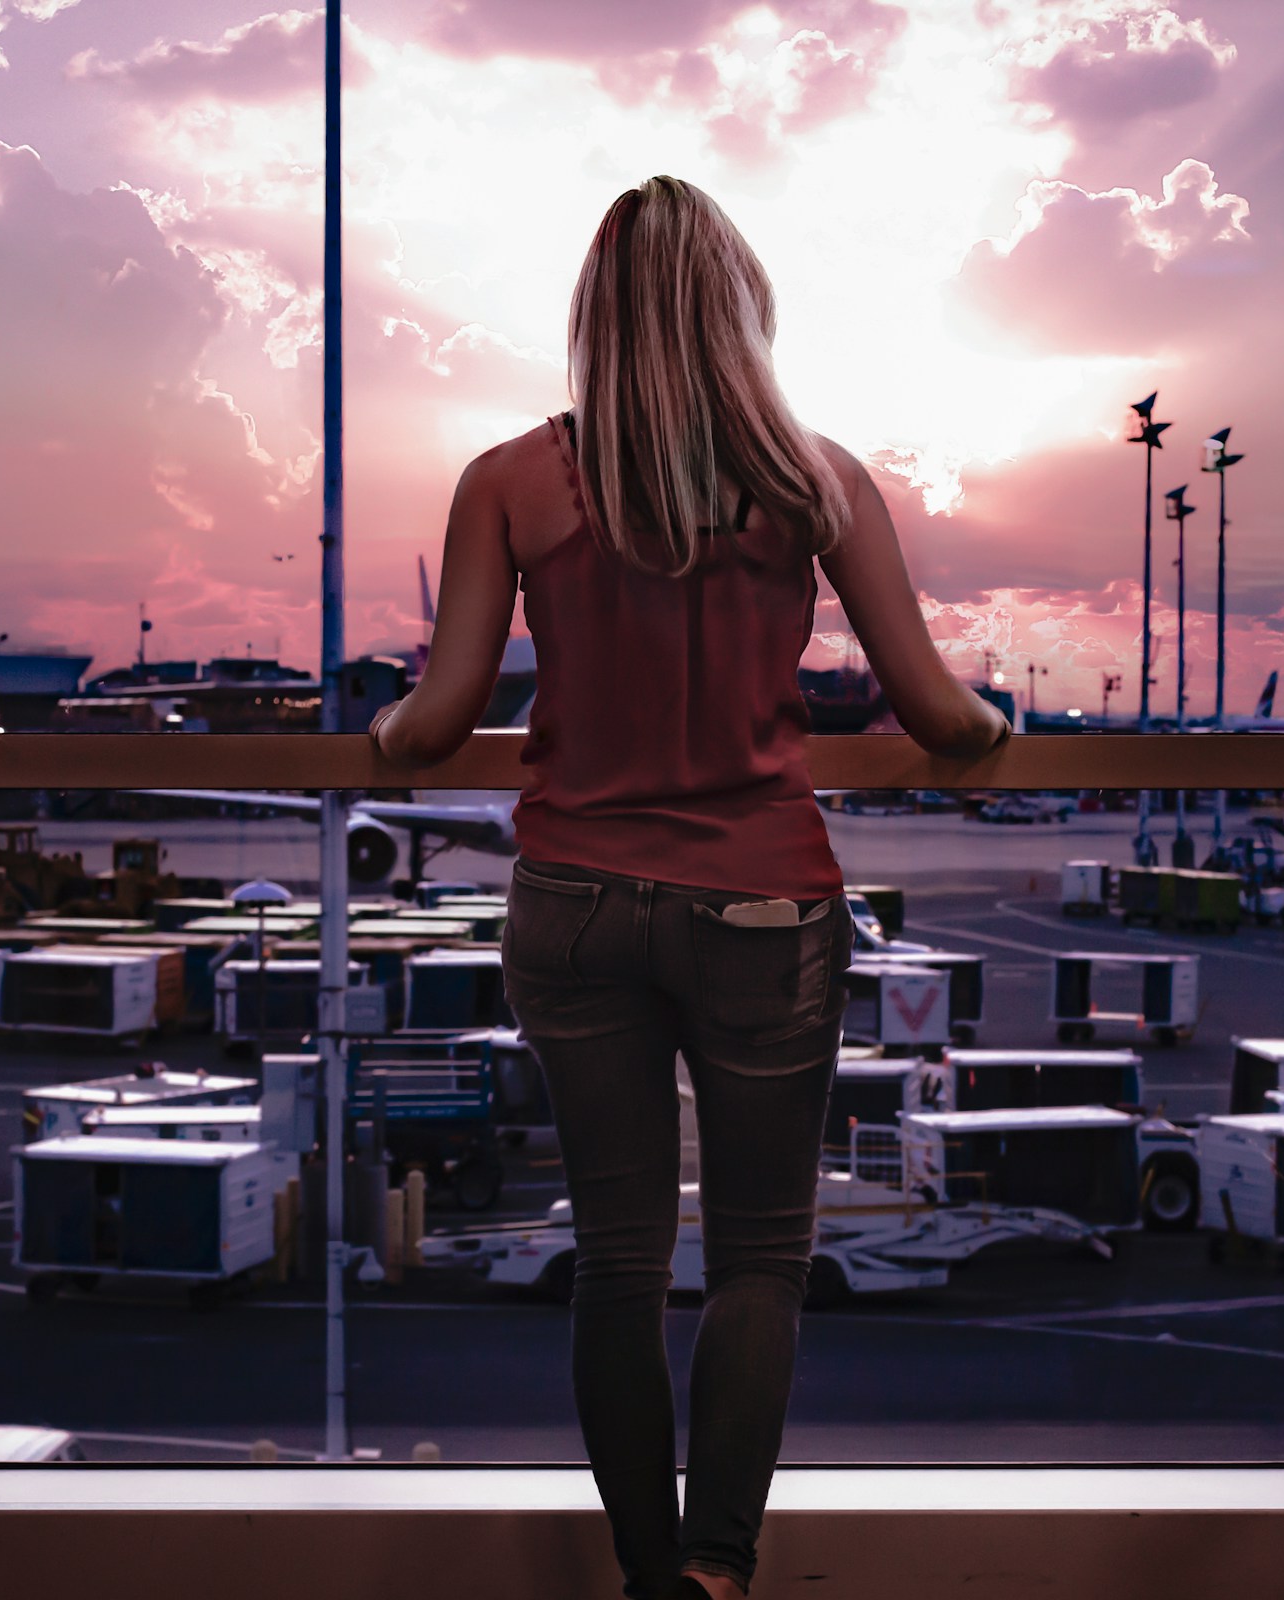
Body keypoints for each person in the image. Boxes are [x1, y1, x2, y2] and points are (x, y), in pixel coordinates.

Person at [371, 175, 1010, 1600]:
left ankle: (646, 1575)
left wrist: (379, 741)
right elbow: (934, 709)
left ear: (593, 314)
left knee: (614, 1259)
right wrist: (990, 738)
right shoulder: (815, 478)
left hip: (578, 898)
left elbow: (439, 714)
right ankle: (720, 1571)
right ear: (740, 308)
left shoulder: (512, 481)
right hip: (764, 904)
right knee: (760, 1260)